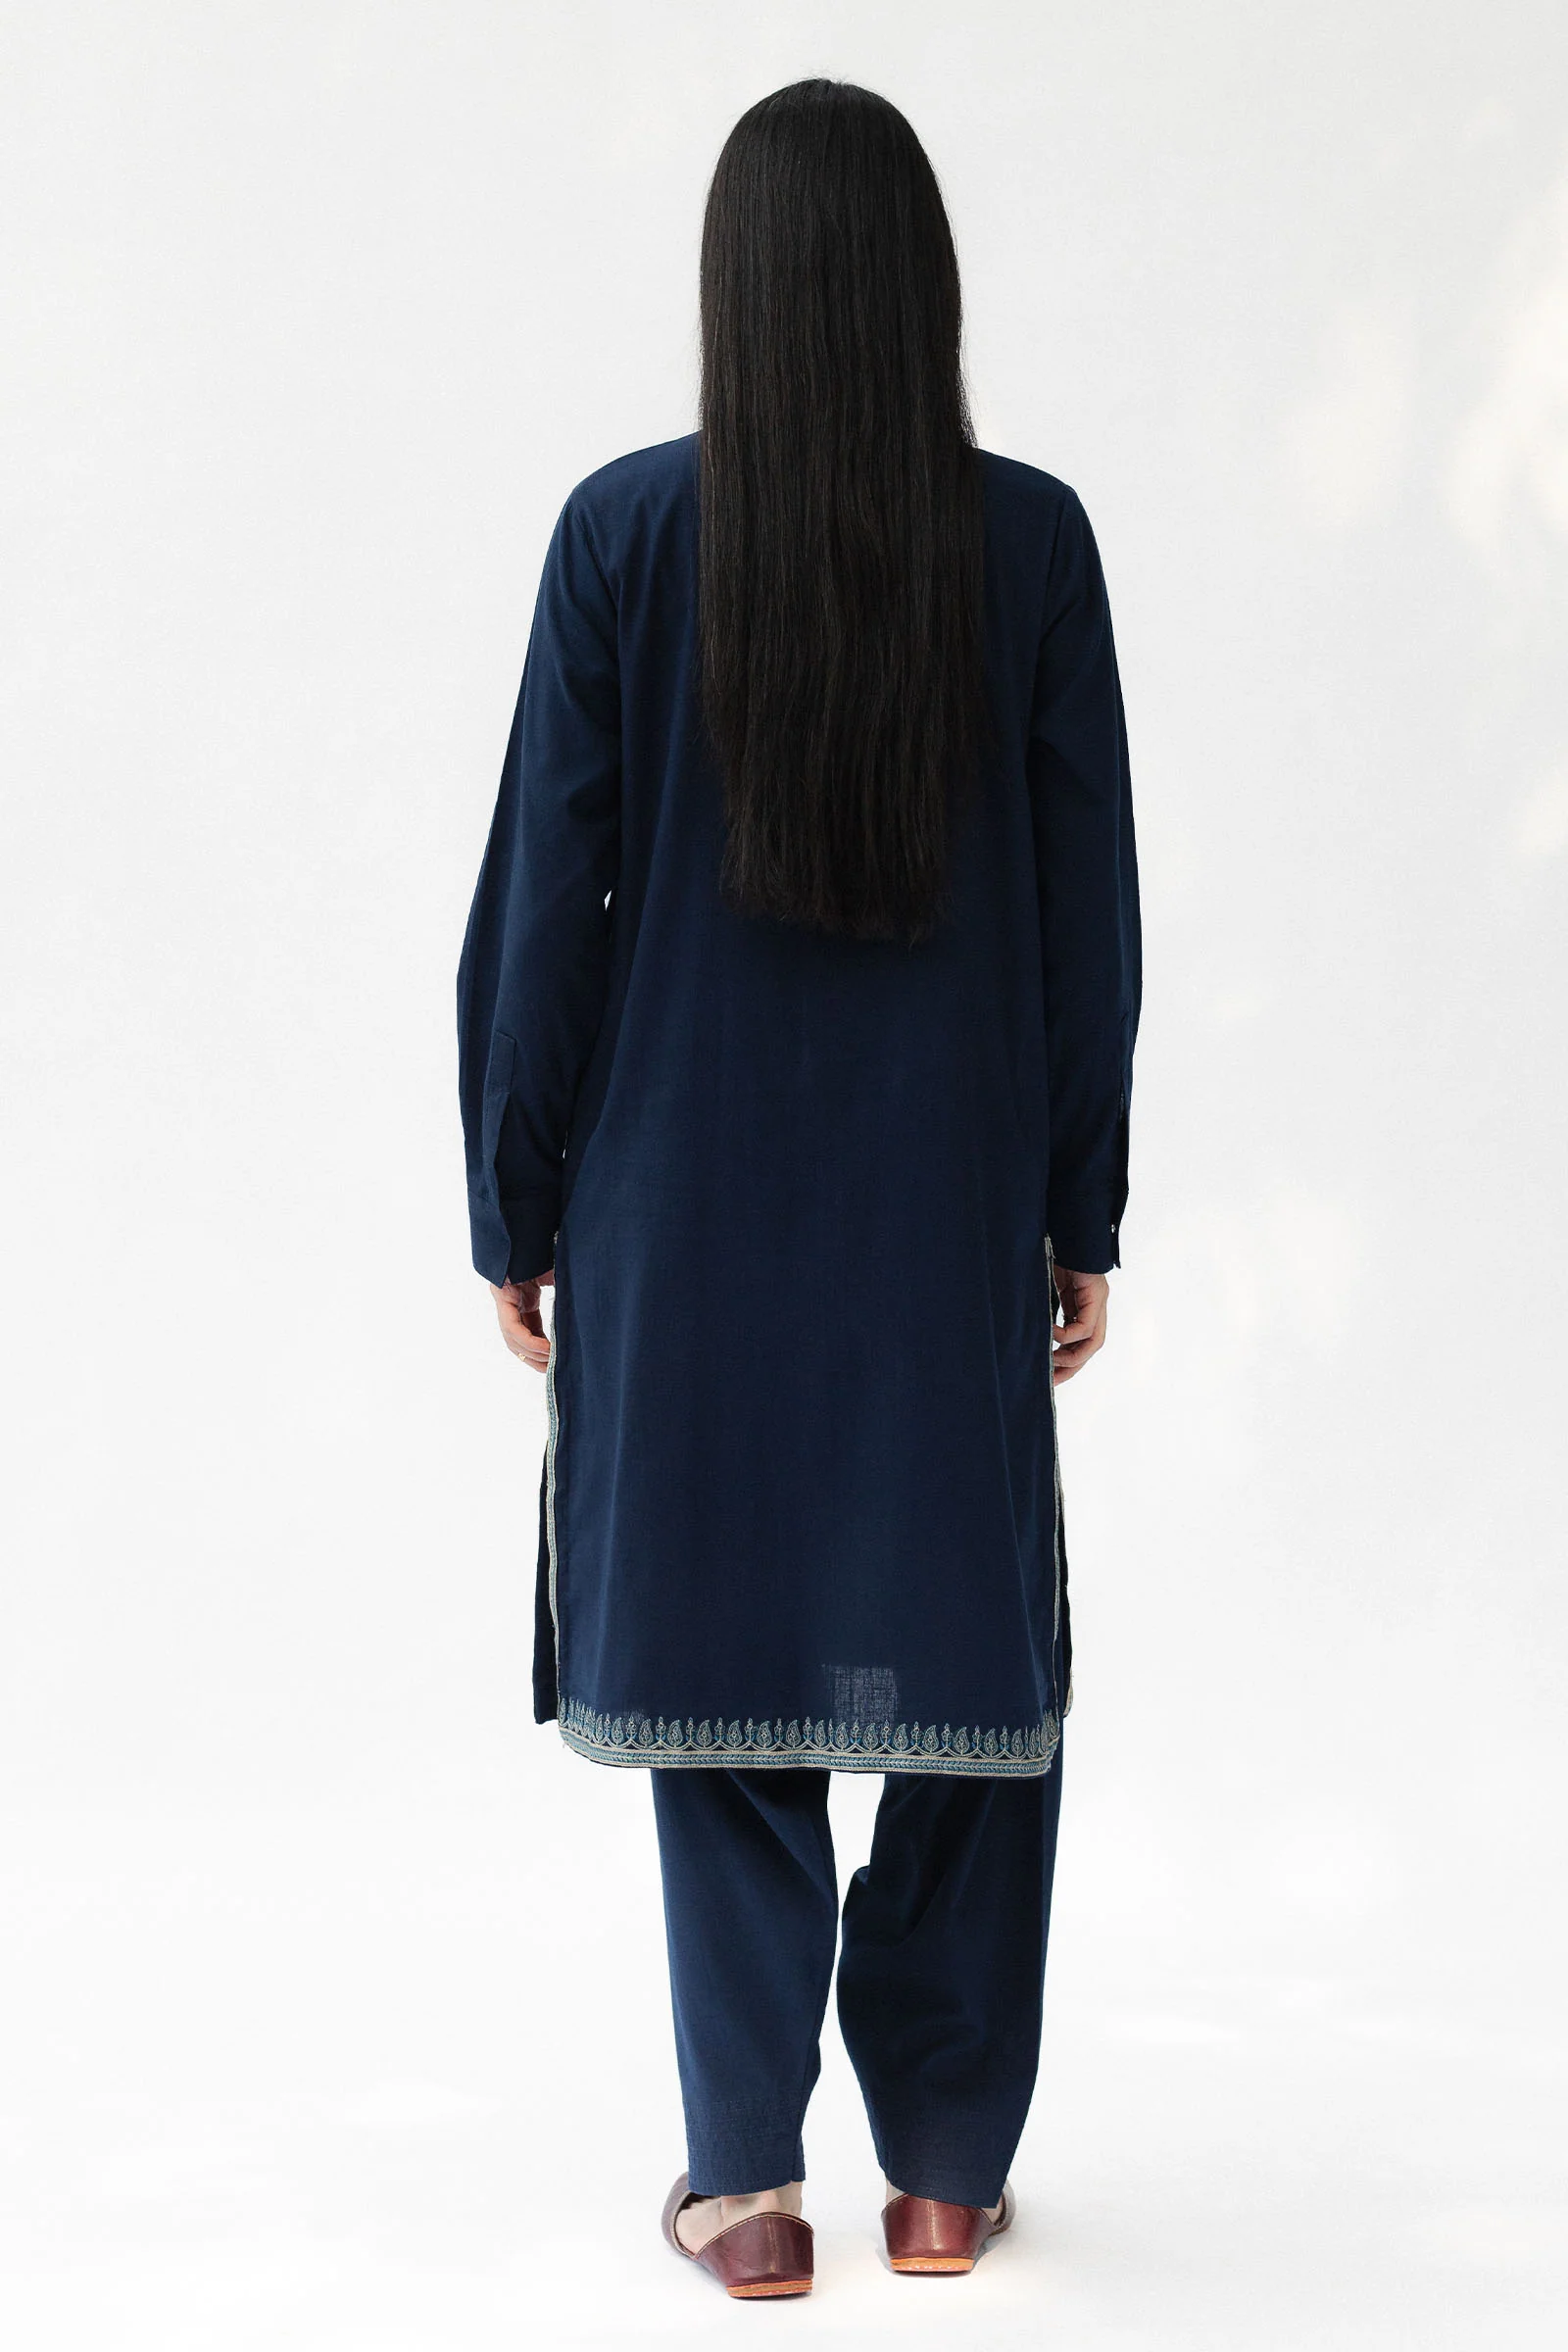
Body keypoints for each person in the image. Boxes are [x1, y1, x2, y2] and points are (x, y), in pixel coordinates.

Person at [457, 77, 1140, 2300]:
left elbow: (544, 904)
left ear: (730, 292)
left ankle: (748, 2190)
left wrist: (515, 1196)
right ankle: (941, 2170)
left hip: (683, 1212)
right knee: (973, 1671)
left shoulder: (622, 536)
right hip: (940, 1213)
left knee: (728, 1678)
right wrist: (1080, 1210)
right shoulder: (1031, 545)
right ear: (921, 287)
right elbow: (1089, 923)